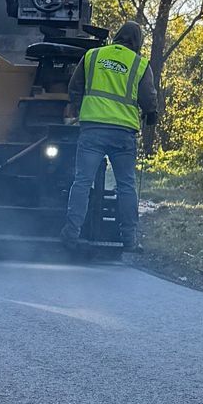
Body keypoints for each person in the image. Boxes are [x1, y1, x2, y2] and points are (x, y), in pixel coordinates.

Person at [63, 17, 158, 252]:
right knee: (126, 185)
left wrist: (77, 106)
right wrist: (151, 114)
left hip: (92, 129)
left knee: (82, 182)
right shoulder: (140, 64)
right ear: (137, 42)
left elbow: (75, 87)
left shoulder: (93, 56)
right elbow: (148, 98)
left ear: (117, 36)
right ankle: (129, 239)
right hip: (123, 134)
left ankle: (71, 234)